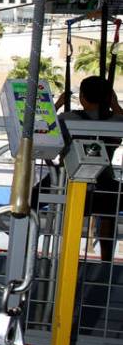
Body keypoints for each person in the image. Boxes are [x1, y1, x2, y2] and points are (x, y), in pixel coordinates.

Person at [58, 76, 123, 262]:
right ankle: (106, 260)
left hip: (69, 179)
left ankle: (62, 255)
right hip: (105, 181)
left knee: (33, 198)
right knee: (109, 212)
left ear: (82, 98)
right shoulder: (117, 121)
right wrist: (116, 106)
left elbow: (43, 128)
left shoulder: (67, 118)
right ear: (109, 97)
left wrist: (58, 103)